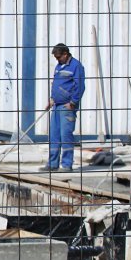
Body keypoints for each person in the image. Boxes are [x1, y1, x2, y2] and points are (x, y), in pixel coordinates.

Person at [42, 43, 85, 172]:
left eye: (59, 57)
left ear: (65, 54)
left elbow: (80, 86)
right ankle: (52, 163)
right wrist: (51, 99)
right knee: (54, 135)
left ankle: (66, 165)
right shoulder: (59, 66)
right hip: (56, 105)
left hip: (67, 107)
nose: (57, 59)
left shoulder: (76, 66)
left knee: (65, 135)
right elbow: (56, 84)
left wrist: (73, 102)